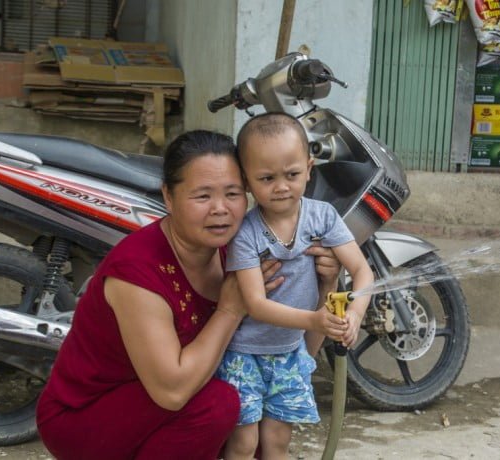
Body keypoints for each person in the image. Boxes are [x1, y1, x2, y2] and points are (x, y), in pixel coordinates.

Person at [35, 130, 345, 460]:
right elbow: (172, 392)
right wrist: (230, 310)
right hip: (88, 416)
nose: (220, 209)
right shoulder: (138, 270)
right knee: (222, 403)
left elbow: (293, 356)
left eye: (232, 193)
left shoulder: (243, 250)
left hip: (169, 403)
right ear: (168, 197)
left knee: (255, 422)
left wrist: (326, 287)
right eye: (202, 196)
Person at [217, 113, 374, 460]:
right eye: (266, 178)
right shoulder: (246, 232)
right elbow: (255, 305)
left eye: (291, 174)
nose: (281, 186)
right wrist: (314, 321)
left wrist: (356, 313)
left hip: (289, 355)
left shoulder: (323, 217)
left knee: (277, 443)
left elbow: (363, 271)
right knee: (243, 445)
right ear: (246, 180)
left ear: (309, 166)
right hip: (244, 354)